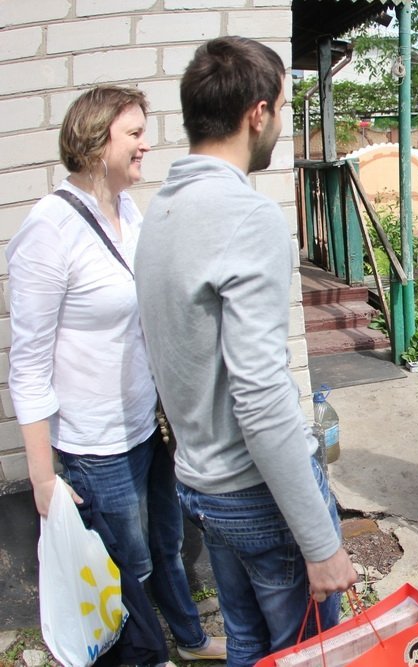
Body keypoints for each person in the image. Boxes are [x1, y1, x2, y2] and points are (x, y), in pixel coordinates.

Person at [133, 36, 357, 667]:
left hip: (202, 484)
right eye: (283, 109)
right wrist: (320, 543)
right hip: (257, 491)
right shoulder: (245, 216)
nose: (280, 124)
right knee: (304, 652)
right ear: (257, 113)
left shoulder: (163, 210)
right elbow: (259, 395)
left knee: (251, 646)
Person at [7, 85, 226, 664]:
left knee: (169, 542)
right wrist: (43, 480)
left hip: (145, 423)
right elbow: (27, 365)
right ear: (95, 138)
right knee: (130, 563)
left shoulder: (126, 210)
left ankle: (192, 639)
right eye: (133, 133)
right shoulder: (49, 229)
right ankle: (146, 653)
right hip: (96, 442)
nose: (145, 146)